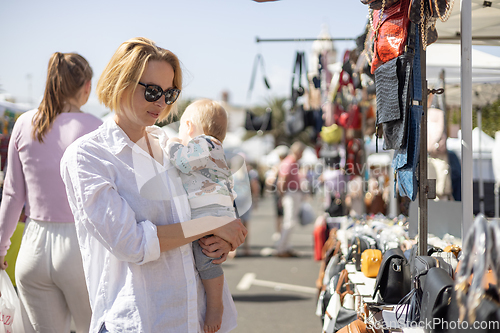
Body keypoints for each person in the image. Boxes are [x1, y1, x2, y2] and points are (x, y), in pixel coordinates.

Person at [60, 37, 247, 333]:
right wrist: (213, 224)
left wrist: (222, 240)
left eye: (170, 93)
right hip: (141, 319)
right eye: (152, 91)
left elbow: (205, 204)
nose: (161, 102)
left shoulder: (169, 145)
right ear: (121, 82)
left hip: (194, 317)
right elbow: (133, 243)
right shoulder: (87, 156)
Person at [0, 52, 101, 332]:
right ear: (86, 87)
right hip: (81, 248)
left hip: (33, 248)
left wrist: (1, 246)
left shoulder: (23, 123)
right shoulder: (96, 128)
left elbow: (11, 194)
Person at [166, 98, 236, 333]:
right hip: (219, 212)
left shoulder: (205, 144)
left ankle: (215, 305)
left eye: (180, 130)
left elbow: (182, 163)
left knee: (206, 258)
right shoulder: (215, 149)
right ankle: (215, 302)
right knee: (208, 256)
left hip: (210, 214)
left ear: (188, 126)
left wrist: (172, 144)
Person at [275, 141, 306, 258]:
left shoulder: (292, 162)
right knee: (289, 222)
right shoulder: (289, 162)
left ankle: (285, 246)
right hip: (290, 193)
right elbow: (282, 179)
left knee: (290, 221)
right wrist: (282, 195)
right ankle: (281, 248)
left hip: (292, 193)